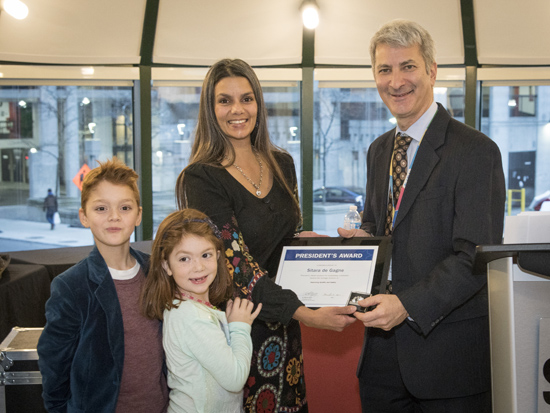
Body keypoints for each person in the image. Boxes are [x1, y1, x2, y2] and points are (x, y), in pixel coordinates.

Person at [337, 20, 506, 412]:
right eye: (384, 70)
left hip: (449, 361)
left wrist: (407, 305)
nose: (396, 81)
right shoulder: (379, 150)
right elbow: (382, 226)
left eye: (407, 66)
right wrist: (360, 244)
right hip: (380, 358)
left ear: (431, 70)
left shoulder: (476, 151)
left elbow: (474, 257)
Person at [176, 58, 356, 412]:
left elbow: (286, 241)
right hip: (235, 328)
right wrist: (307, 314)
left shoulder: (282, 163)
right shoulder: (201, 178)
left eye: (247, 98)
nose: (237, 110)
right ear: (210, 110)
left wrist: (322, 250)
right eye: (224, 100)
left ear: (259, 103)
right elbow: (235, 263)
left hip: (284, 325)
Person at [37, 158, 169, 413]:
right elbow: (54, 365)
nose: (114, 217)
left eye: (125, 207)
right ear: (84, 217)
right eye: (101, 209)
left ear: (139, 215)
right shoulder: (70, 287)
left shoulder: (156, 271)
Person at [141, 209, 262, 413]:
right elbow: (235, 379)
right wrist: (240, 327)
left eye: (205, 255)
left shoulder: (193, 308)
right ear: (166, 265)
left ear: (217, 256)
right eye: (184, 259)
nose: (198, 267)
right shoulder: (191, 316)